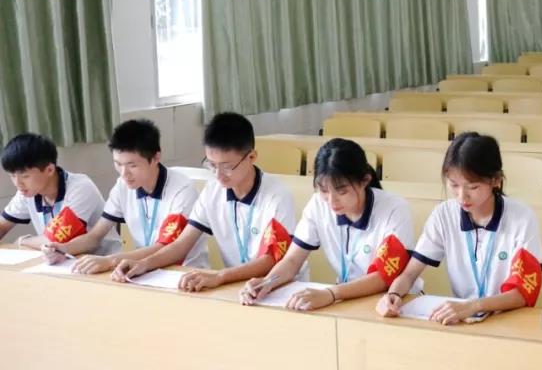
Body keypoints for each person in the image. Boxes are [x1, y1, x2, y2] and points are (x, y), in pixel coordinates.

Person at [113, 112, 296, 292]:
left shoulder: (277, 196)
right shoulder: (212, 191)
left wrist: (220, 276)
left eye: (227, 166)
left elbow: (270, 260)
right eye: (212, 165)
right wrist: (144, 264)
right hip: (235, 286)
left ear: (251, 157)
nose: (218, 175)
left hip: (277, 287)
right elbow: (181, 244)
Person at [375, 133, 542, 324]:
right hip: (463, 320)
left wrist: (474, 306)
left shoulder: (522, 218)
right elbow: (410, 273)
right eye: (454, 185)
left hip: (508, 319)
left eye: (473, 187)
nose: (462, 196)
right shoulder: (444, 214)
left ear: (496, 180)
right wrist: (393, 294)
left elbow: (522, 293)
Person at [240, 138, 415, 311]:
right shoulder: (318, 204)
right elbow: (293, 260)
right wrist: (268, 282)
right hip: (346, 300)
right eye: (324, 190)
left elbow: (384, 277)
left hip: (393, 302)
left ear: (365, 181)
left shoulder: (394, 208)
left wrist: (331, 294)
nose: (331, 201)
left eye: (342, 191)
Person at [46, 119, 207, 272]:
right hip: (140, 271)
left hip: (182, 272)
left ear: (156, 158)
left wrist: (110, 261)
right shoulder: (123, 186)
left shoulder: (181, 190)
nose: (124, 174)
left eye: (132, 165)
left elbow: (166, 248)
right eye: (118, 164)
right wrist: (63, 248)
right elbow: (95, 236)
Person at [0, 133, 118, 256]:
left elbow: (56, 241)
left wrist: (23, 241)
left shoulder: (80, 188)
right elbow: (3, 225)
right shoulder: (27, 191)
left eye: (25, 176)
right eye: (12, 176)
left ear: (50, 170)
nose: (17, 183)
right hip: (61, 260)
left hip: (103, 258)